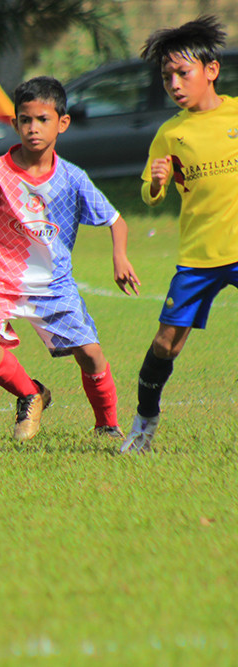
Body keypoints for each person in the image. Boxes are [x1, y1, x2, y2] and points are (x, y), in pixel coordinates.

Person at [0, 76, 140, 442]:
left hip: (53, 284)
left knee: (91, 355)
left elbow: (115, 220)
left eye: (42, 119)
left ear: (62, 123)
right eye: (25, 120)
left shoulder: (72, 179)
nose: (33, 128)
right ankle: (31, 394)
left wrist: (120, 256)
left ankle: (106, 426)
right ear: (15, 123)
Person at [121, 16, 238, 452]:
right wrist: (154, 181)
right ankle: (143, 426)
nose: (173, 82)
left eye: (181, 72)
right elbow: (151, 197)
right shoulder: (171, 133)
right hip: (199, 257)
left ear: (211, 71)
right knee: (165, 345)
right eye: (166, 75)